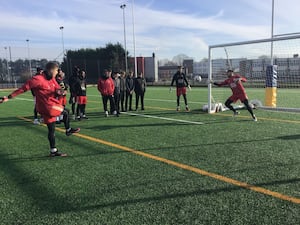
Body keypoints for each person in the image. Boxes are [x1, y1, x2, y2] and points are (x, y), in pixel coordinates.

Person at [0, 62, 80, 157]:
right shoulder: (37, 79)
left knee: (51, 129)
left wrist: (60, 92)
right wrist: (8, 97)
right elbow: (23, 89)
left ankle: (53, 151)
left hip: (49, 106)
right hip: (47, 106)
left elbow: (57, 89)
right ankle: (68, 130)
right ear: (50, 70)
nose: (57, 73)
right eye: (56, 71)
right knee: (66, 112)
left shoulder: (52, 79)